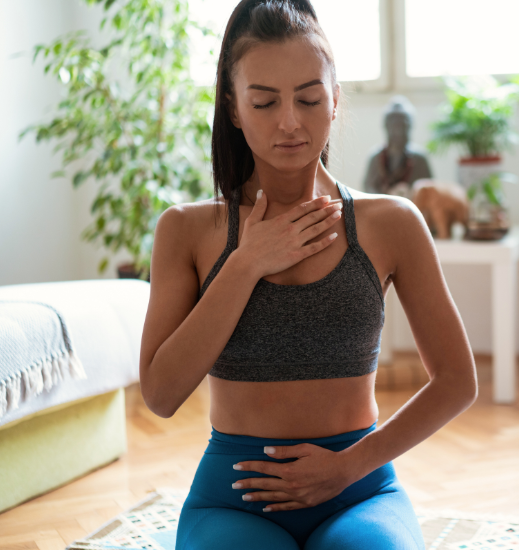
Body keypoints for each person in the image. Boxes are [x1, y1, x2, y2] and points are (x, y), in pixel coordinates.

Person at [139, 1, 477, 548]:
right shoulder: (187, 230)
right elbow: (160, 393)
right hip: (233, 497)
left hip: (360, 488)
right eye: (265, 102)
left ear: (336, 100)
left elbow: (458, 382)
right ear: (232, 108)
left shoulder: (392, 223)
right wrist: (246, 263)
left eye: (310, 98)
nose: (290, 121)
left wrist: (347, 468)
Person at [363, 95, 433, 196]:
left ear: (410, 127)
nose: (399, 132)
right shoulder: (376, 158)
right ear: (386, 127)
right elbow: (368, 190)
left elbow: (429, 192)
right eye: (395, 126)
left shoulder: (419, 159)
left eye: (403, 126)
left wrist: (409, 193)